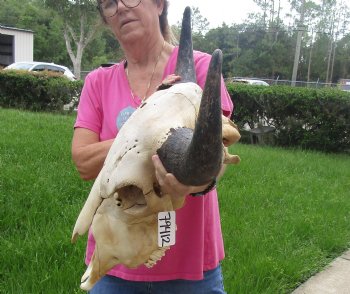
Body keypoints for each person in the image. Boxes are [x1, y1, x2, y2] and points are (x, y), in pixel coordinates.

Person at [71, 0, 234, 293]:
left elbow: (215, 155)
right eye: (108, 3)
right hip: (113, 262)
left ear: (159, 4)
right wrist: (146, 126)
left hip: (192, 269)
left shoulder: (200, 68)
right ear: (106, 18)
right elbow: (83, 162)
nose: (120, 7)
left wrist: (195, 183)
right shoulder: (98, 82)